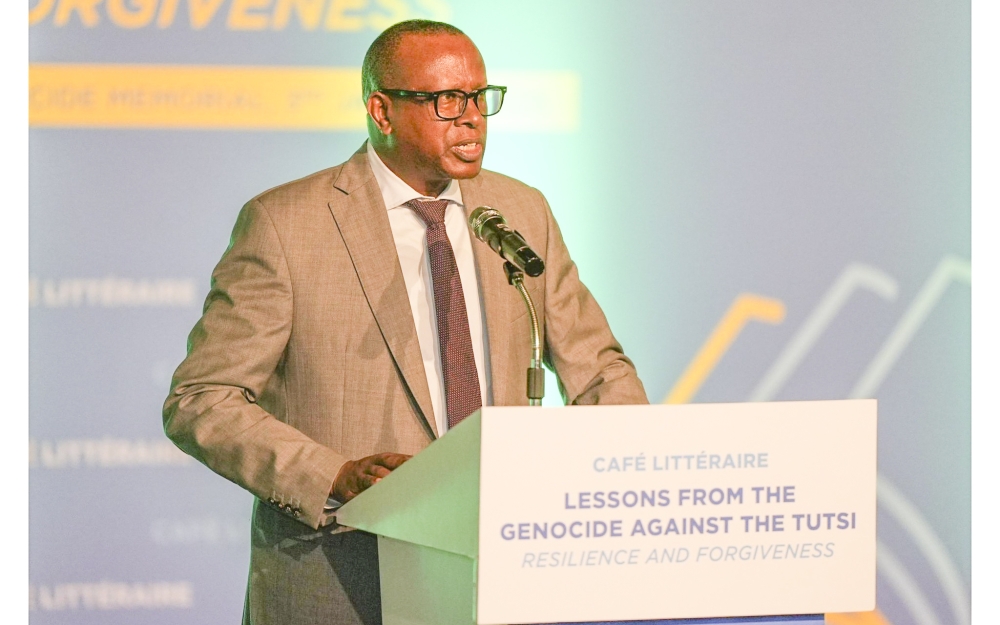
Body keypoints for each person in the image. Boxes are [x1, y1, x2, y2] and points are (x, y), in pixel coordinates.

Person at [163, 18, 648, 625]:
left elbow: (599, 367)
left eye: (479, 97)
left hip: (502, 568)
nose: (471, 117)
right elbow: (202, 400)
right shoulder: (286, 224)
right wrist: (333, 474)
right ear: (382, 110)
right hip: (342, 574)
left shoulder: (521, 210)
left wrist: (630, 473)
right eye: (446, 100)